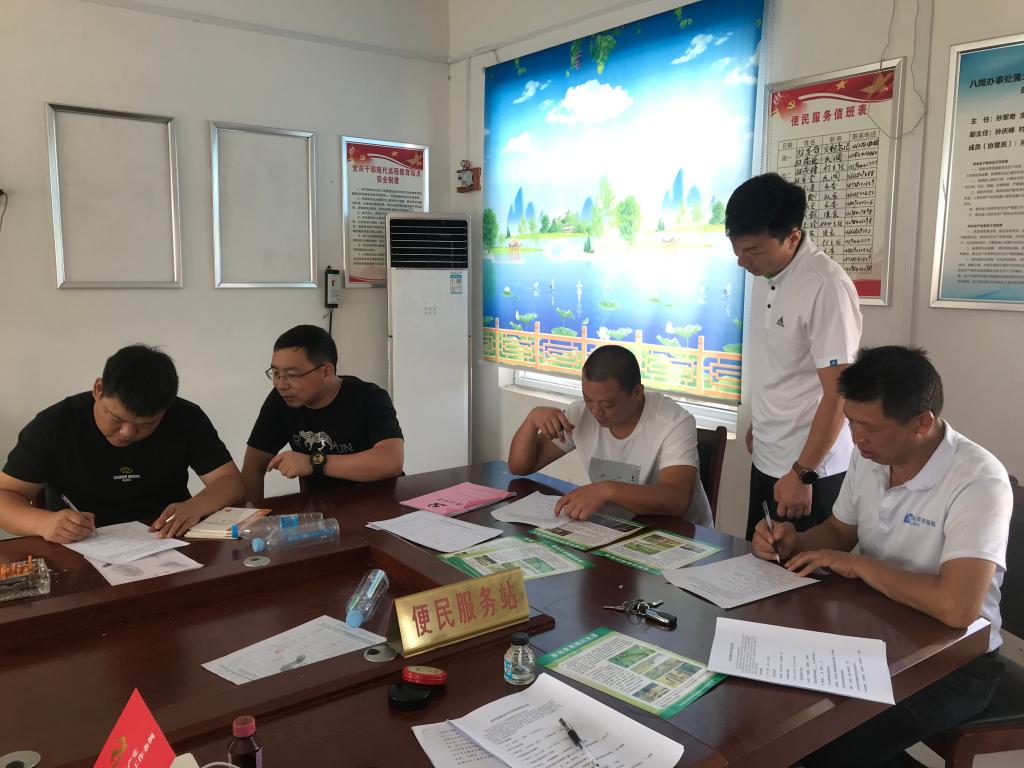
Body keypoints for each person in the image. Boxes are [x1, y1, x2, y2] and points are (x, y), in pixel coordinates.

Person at [752, 346, 1011, 768]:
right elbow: (839, 532)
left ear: (922, 423)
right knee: (774, 709)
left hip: (954, 662)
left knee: (821, 742)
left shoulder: (979, 480)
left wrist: (857, 565)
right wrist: (793, 542)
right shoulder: (871, 457)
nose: (855, 438)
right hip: (874, 635)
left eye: (869, 428)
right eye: (851, 422)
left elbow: (958, 607)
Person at [726, 172, 863, 540]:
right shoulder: (765, 274)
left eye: (752, 250)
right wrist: (760, 422)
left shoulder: (826, 286)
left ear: (792, 237)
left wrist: (804, 472)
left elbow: (840, 392)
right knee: (757, 563)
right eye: (736, 249)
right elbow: (781, 364)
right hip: (768, 456)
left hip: (811, 471)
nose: (742, 261)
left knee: (802, 569)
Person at [0, 344, 243, 542]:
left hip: (166, 540)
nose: (127, 433)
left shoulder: (186, 417)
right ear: (98, 389)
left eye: (146, 424)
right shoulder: (54, 426)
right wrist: (43, 523)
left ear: (166, 408)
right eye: (116, 419)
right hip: (81, 545)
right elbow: (5, 495)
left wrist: (195, 506)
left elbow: (230, 481)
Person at [507, 345, 713, 526]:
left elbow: (677, 500)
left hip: (680, 535)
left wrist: (606, 490)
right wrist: (531, 421)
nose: (595, 411)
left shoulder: (673, 422)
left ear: (637, 392)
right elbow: (520, 467)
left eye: (607, 404)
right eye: (588, 399)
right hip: (617, 527)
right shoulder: (581, 415)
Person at [242, 325, 404, 502]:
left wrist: (314, 462)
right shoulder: (281, 401)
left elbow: (391, 461)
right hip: (324, 508)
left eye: (292, 375)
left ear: (326, 372)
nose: (281, 385)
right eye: (276, 373)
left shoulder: (369, 397)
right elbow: (253, 467)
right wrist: (249, 516)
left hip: (381, 503)